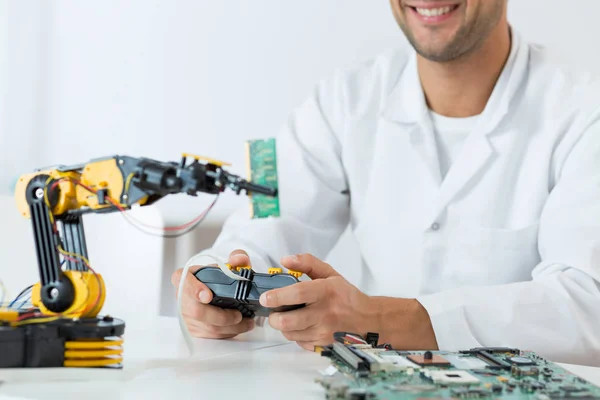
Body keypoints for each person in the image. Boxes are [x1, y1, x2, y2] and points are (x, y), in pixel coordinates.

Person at [172, 0, 600, 365]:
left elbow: (587, 305)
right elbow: (261, 230)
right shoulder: (343, 101)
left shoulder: (583, 113)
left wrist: (378, 319)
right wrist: (210, 283)